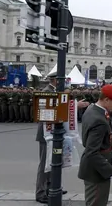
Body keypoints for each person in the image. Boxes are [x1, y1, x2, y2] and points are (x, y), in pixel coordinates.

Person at [35, 71, 90, 204]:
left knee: (52, 162)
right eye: (61, 80)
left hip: (55, 131)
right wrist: (76, 106)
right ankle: (40, 192)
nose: (64, 82)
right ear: (54, 80)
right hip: (46, 132)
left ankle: (51, 186)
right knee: (44, 164)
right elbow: (52, 109)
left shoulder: (56, 91)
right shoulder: (47, 91)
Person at [78, 84, 112, 206]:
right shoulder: (99, 120)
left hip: (95, 170)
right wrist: (111, 171)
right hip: (97, 172)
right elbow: (92, 152)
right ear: (106, 99)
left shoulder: (92, 110)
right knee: (97, 203)